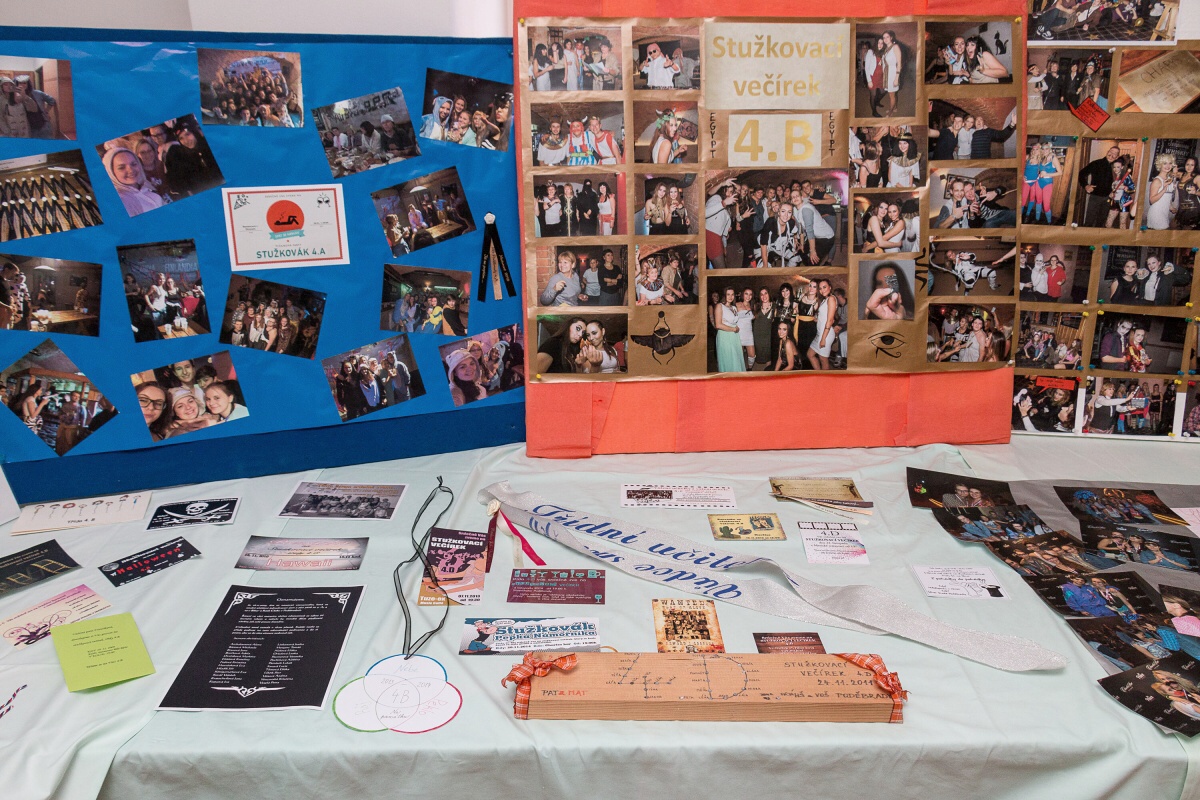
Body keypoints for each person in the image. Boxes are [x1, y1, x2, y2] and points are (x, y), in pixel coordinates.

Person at [162, 121, 223, 199]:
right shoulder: (182, 159)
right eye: (181, 138)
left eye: (187, 134)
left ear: (194, 132)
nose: (186, 140)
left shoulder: (210, 146)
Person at [102, 147, 165, 216]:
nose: (131, 170)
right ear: (111, 172)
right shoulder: (120, 201)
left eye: (133, 164)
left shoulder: (146, 186)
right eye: (121, 167)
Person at [1077, 146, 1121, 227]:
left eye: (1115, 153)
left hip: (1108, 198)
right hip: (1095, 197)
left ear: (1117, 157)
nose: (1112, 154)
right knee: (1089, 222)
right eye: (1111, 151)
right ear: (1107, 152)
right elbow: (1081, 174)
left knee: (1101, 222)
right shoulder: (1096, 163)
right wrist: (1086, 186)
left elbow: (1120, 182)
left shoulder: (1117, 167)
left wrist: (1115, 192)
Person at [713, 287, 744, 372]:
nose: (731, 297)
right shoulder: (719, 306)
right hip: (725, 336)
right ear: (724, 295)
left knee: (736, 358)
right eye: (728, 294)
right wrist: (733, 329)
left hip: (734, 336)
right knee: (728, 359)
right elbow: (718, 325)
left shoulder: (734, 307)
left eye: (732, 294)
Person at [1146, 153, 1179, 231]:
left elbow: (1166, 198)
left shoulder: (1169, 179)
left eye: (1170, 163)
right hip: (1156, 214)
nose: (1168, 166)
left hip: (1164, 213)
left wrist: (1171, 207)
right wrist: (1164, 189)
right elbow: (1152, 200)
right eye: (1165, 163)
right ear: (1160, 165)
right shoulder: (1157, 180)